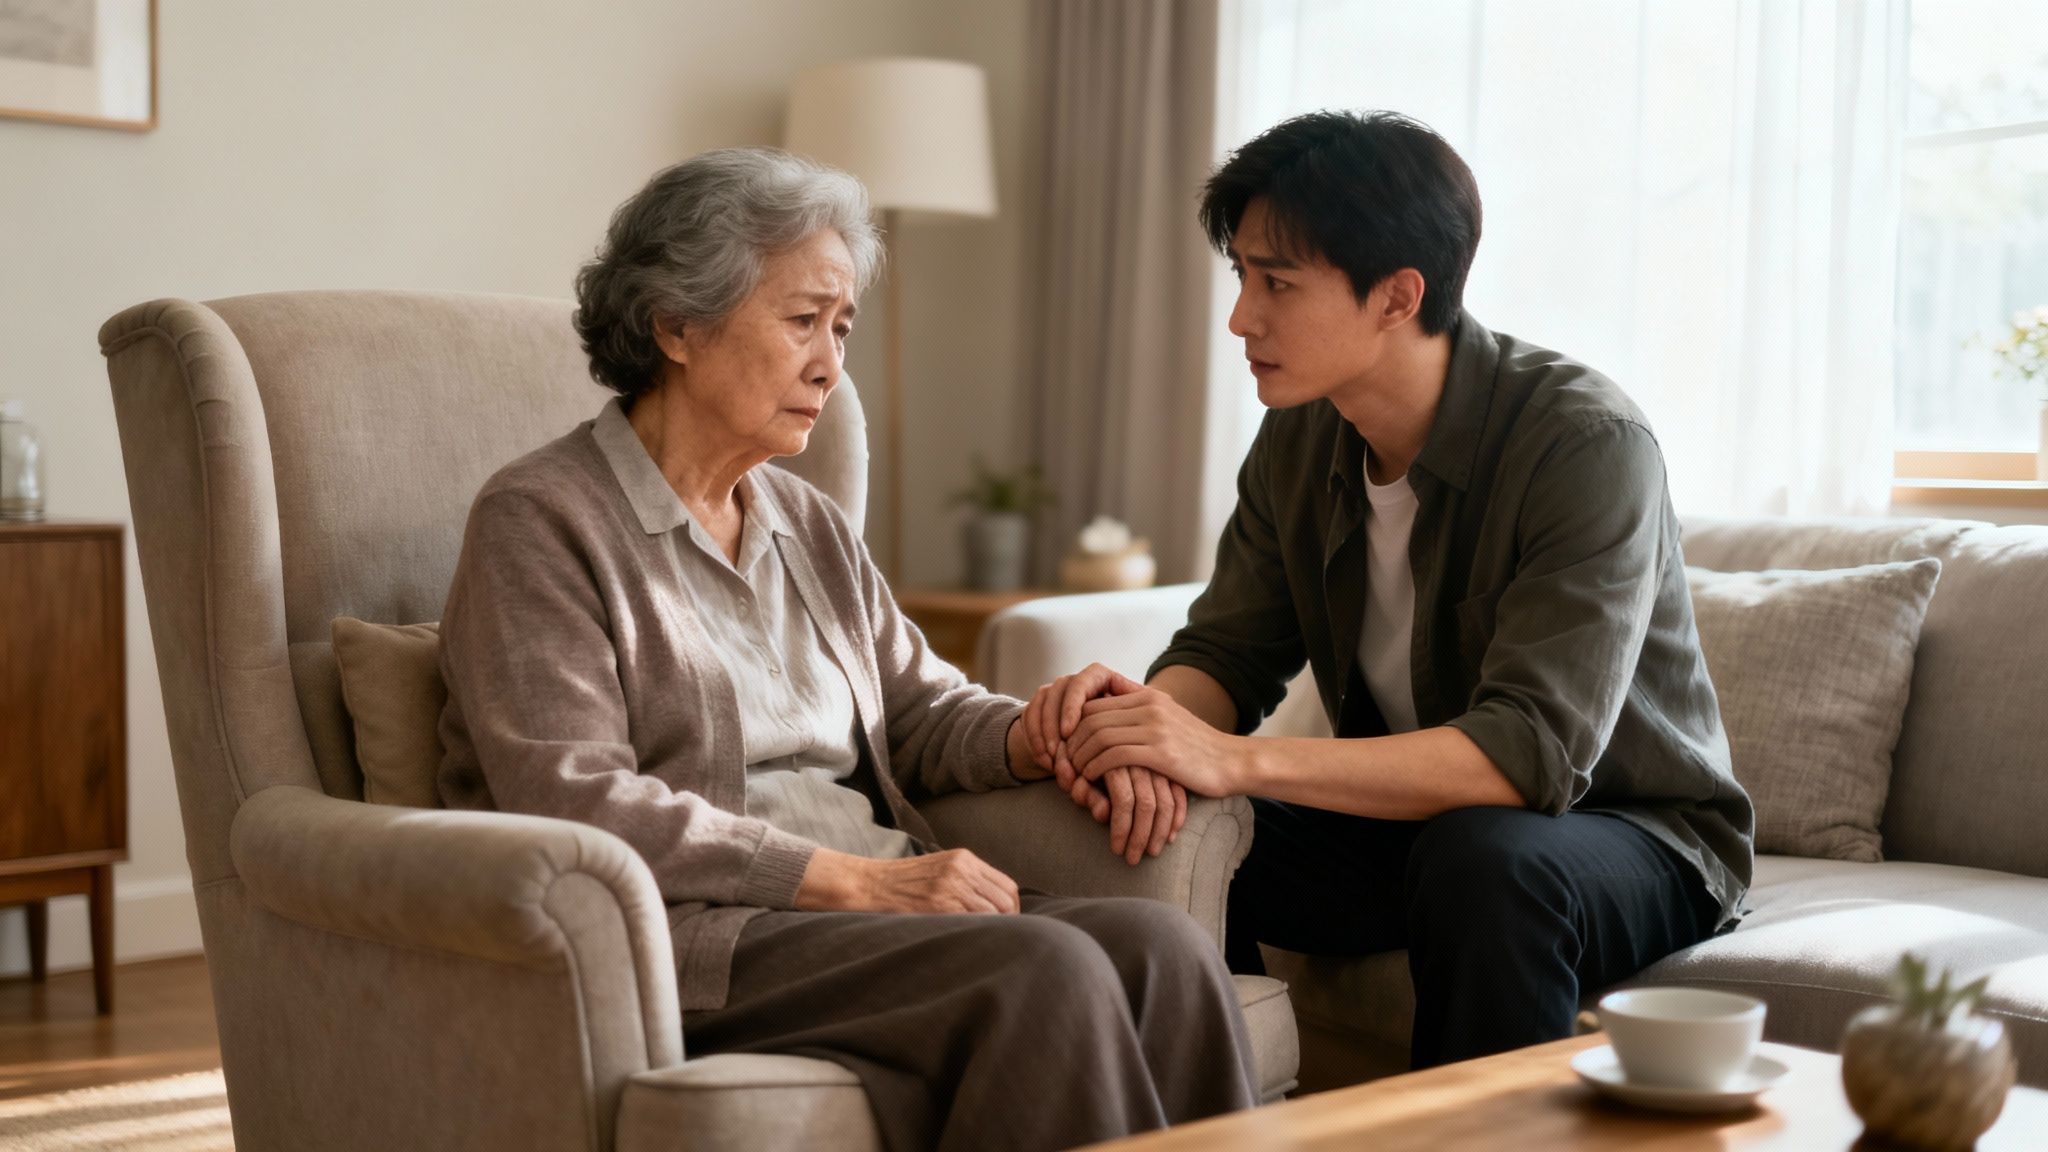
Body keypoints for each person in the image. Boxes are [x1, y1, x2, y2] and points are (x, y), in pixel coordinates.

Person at [436, 147, 1258, 1151]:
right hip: (710, 935)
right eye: (800, 320)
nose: (830, 363)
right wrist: (852, 880)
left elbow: (915, 713)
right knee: (1047, 969)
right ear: (675, 326)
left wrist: (1052, 732)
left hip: (874, 908)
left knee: (1160, 948)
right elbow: (574, 802)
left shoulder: (803, 519)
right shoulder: (541, 521)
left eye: (841, 325)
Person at [1022, 111, 1756, 1069]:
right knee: (1168, 823)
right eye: (1242, 276)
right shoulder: (1299, 436)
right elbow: (1225, 654)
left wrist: (1230, 759)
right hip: (1418, 828)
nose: (1242, 317)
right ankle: (1228, 1117)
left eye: (1277, 283)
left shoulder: (1584, 444)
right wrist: (1138, 734)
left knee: (1485, 860)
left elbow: (1525, 759)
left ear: (1398, 296)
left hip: (1632, 833)